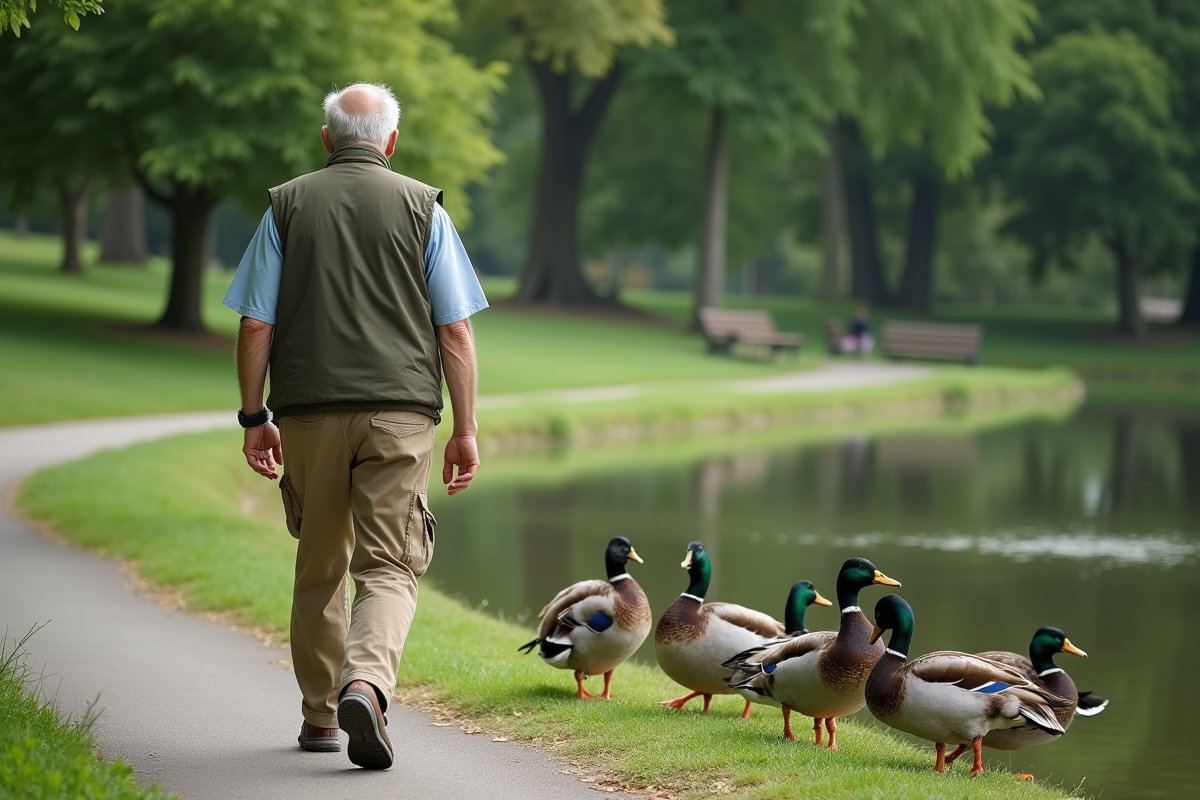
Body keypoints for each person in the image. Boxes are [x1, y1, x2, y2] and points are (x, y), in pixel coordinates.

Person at [223, 83, 487, 770]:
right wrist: (466, 428)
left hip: (307, 413)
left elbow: (256, 323)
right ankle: (365, 684)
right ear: (391, 142)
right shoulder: (424, 206)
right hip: (400, 416)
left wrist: (255, 418)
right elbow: (454, 332)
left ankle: (319, 720)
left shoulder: (286, 204)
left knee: (319, 568)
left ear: (326, 138)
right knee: (391, 565)